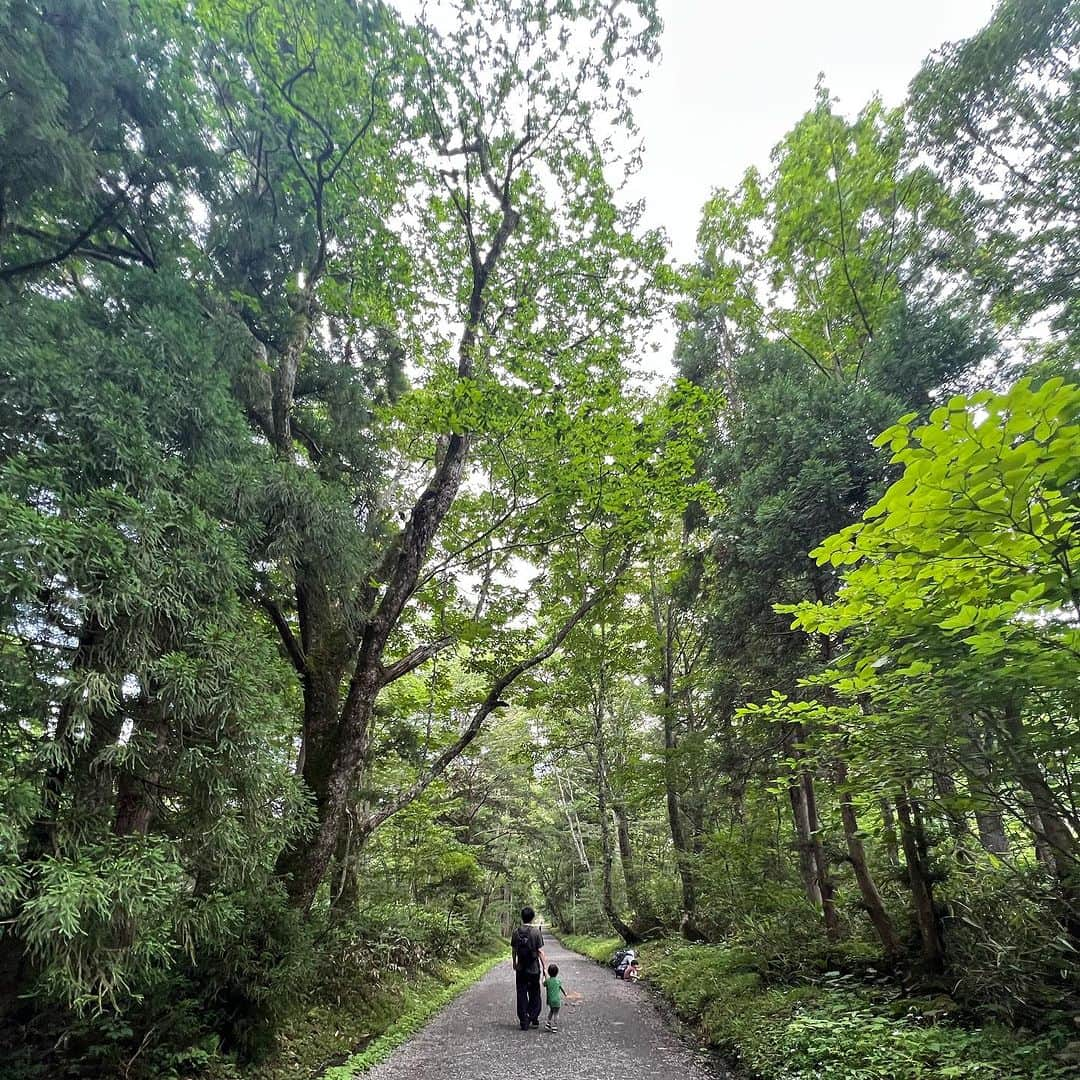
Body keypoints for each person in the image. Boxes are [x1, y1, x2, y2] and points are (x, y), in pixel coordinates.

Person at [511, 906, 547, 1030]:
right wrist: (545, 969)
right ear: (532, 918)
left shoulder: (516, 932)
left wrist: (514, 963)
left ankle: (524, 1020)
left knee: (521, 994)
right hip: (533, 969)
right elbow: (540, 952)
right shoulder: (536, 932)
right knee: (534, 993)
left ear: (522, 917)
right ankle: (533, 1017)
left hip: (521, 968)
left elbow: (514, 950)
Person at [543, 963, 564, 1031]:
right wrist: (565, 993)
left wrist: (544, 976)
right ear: (557, 972)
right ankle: (555, 1026)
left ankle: (548, 1023)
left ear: (549, 972)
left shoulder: (548, 981)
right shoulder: (558, 981)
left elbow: (543, 983)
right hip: (557, 1000)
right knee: (556, 1013)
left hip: (550, 1001)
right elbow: (561, 988)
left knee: (551, 1011)